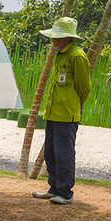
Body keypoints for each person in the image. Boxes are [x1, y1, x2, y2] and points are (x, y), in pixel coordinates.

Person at [30, 16, 90, 206]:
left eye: (56, 37)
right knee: (51, 152)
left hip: (67, 114)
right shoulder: (61, 54)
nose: (53, 41)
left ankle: (65, 193)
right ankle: (54, 188)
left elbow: (85, 88)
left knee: (64, 153)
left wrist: (73, 106)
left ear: (65, 37)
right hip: (54, 112)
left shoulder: (77, 55)